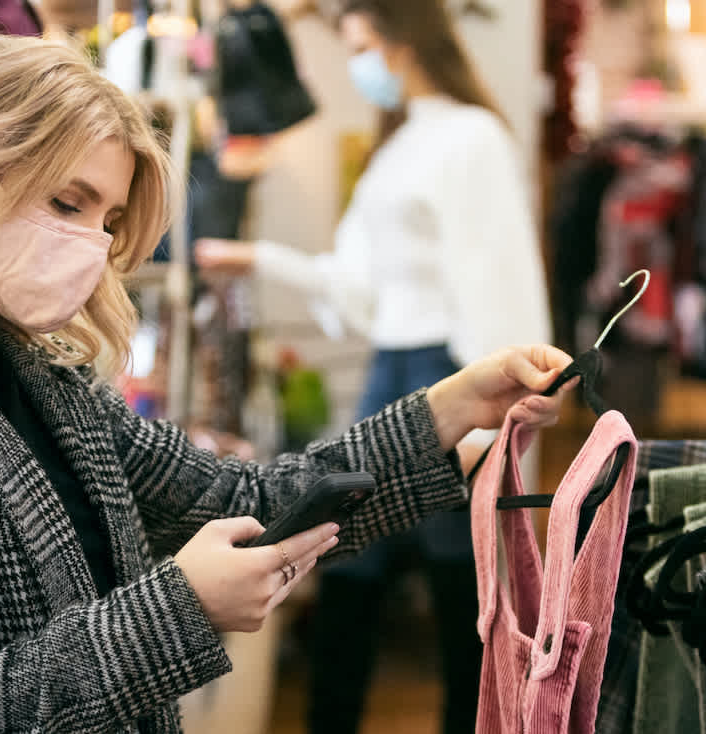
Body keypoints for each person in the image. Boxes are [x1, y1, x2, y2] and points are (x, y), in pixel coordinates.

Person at [0, 34, 571, 734]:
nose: (91, 245)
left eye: (107, 220)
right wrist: (180, 608)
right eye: (67, 202)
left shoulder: (43, 382)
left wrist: (452, 405)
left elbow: (241, 498)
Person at [195, 2, 551, 732]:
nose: (359, 67)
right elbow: (357, 282)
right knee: (349, 568)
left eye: (361, 47)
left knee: (462, 592)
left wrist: (506, 412)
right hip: (392, 373)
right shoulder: (401, 145)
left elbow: (494, 276)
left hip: (451, 371)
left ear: (402, 40)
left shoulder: (467, 138)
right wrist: (253, 259)